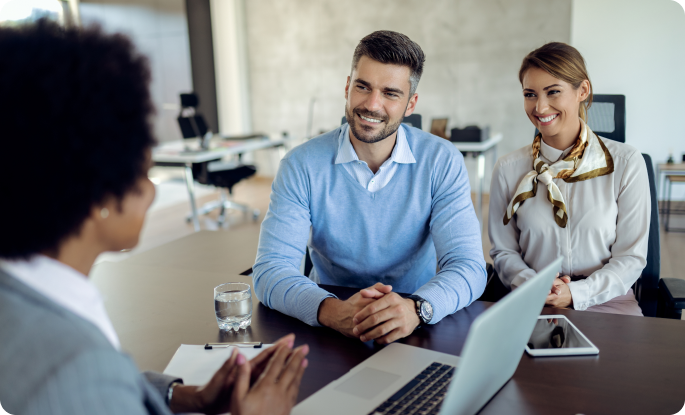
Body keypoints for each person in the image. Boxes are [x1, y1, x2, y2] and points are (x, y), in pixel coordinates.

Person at [0, 20, 308, 415]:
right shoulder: (69, 370)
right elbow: (84, 382)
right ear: (99, 196)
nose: (152, 190)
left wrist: (185, 395)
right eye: (142, 172)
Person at [253, 30, 486, 344]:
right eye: (363, 87)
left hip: (417, 320)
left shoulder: (442, 161)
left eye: (390, 93)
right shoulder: (301, 164)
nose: (372, 104)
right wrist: (333, 311)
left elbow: (468, 266)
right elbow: (270, 270)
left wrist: (417, 308)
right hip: (329, 321)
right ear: (348, 87)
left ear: (410, 104)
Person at [488, 42, 650, 316]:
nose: (540, 107)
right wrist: (536, 285)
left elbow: (631, 258)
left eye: (553, 92)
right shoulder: (507, 169)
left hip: (606, 299)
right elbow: (503, 252)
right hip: (533, 298)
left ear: (582, 91)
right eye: (530, 94)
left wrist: (576, 293)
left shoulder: (626, 163)